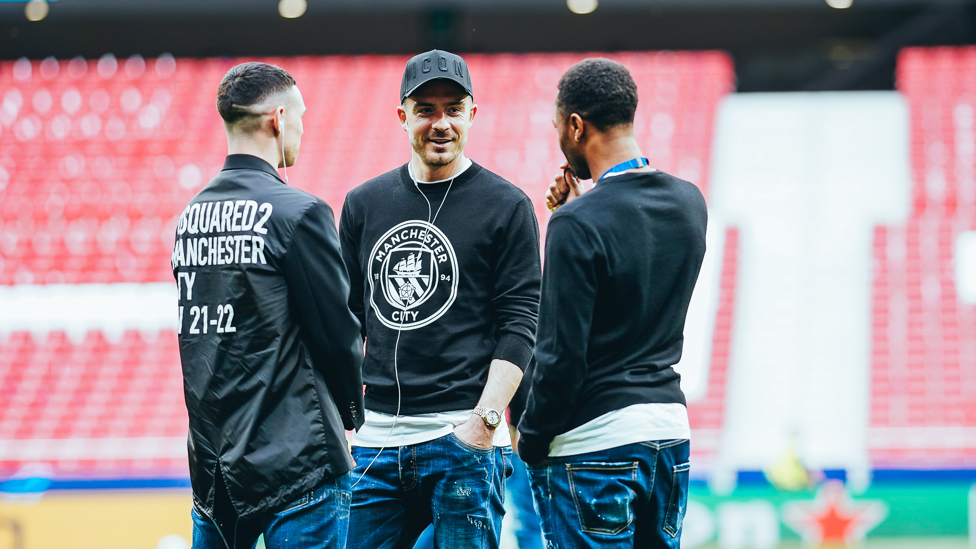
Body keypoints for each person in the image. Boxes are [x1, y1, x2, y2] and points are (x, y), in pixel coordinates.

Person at [339, 49, 542, 549]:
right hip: (377, 441)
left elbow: (520, 326)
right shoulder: (364, 204)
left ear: (472, 114)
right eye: (426, 109)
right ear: (402, 115)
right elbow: (345, 322)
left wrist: (485, 421)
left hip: (463, 438)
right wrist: (345, 425)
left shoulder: (508, 206)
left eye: (453, 108)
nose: (440, 122)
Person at [172, 62, 364, 549]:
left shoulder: (190, 218)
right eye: (300, 116)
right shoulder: (299, 212)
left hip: (214, 465)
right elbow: (337, 336)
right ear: (278, 118)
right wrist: (352, 416)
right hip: (297, 460)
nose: (303, 127)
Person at [517, 58, 707, 548]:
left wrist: (531, 441)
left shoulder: (576, 226)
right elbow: (634, 267)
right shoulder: (689, 202)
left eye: (559, 127)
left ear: (576, 125)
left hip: (595, 443)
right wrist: (576, 209)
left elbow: (561, 356)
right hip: (668, 432)